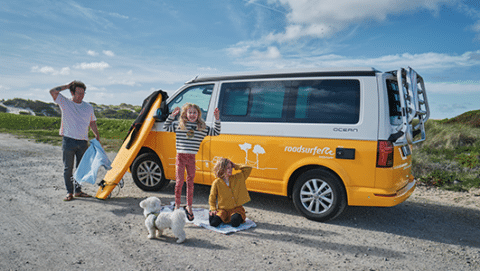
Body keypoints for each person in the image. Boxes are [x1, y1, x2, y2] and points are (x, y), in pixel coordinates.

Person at [163, 103, 221, 221]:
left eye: (195, 112)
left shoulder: (201, 127)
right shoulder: (180, 125)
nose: (192, 115)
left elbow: (216, 132)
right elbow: (166, 127)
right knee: (179, 182)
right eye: (190, 112)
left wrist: (217, 119)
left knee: (190, 183)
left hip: (191, 158)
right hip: (180, 156)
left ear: (198, 114)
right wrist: (172, 115)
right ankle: (177, 206)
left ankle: (189, 207)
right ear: (185, 114)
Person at [49, 81, 100, 201]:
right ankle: (69, 192)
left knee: (81, 168)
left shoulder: (88, 107)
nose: (81, 95)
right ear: (72, 92)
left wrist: (97, 135)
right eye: (78, 93)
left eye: (83, 93)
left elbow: (92, 122)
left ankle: (78, 191)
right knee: (68, 168)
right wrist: (66, 86)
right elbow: (52, 92)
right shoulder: (65, 102)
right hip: (69, 140)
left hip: (83, 141)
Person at [208, 158, 252, 227]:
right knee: (213, 223)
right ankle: (212, 214)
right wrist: (213, 208)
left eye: (231, 167)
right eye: (228, 168)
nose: (230, 169)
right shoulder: (216, 182)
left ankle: (237, 217)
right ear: (222, 169)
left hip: (236, 209)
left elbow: (248, 168)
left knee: (235, 223)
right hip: (223, 210)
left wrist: (235, 166)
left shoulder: (238, 177)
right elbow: (212, 197)